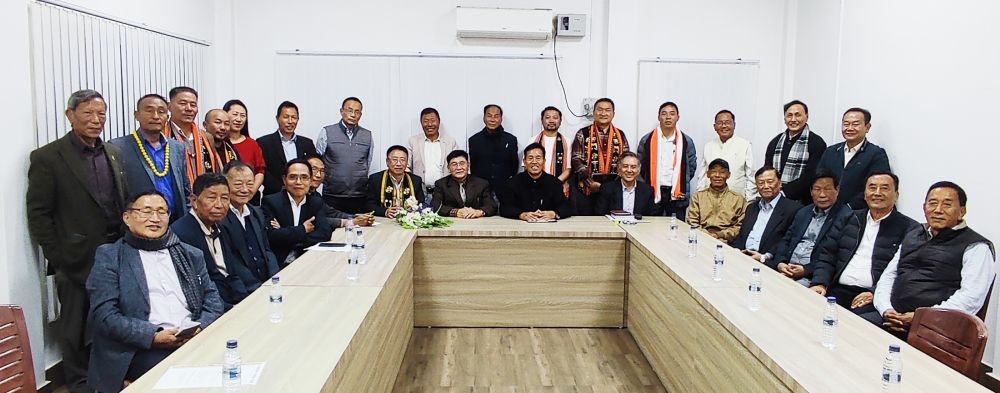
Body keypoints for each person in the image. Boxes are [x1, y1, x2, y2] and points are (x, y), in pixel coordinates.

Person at [27, 89, 127, 393]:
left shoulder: (112, 152)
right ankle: (78, 384)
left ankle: (107, 376)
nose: (96, 120)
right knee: (74, 325)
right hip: (75, 257)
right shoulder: (48, 157)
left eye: (101, 114)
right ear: (70, 116)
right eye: (88, 113)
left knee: (111, 317)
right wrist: (58, 257)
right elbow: (39, 213)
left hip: (115, 250)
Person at [86, 191, 224, 393]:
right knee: (186, 376)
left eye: (162, 212)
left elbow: (213, 300)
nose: (155, 218)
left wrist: (199, 328)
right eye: (146, 211)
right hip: (139, 347)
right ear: (127, 218)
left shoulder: (190, 253)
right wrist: (153, 337)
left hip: (193, 336)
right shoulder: (111, 257)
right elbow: (105, 316)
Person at [874, 182, 996, 333]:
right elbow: (889, 276)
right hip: (893, 316)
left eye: (947, 204)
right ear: (924, 207)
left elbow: (971, 298)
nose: (938, 210)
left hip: (936, 328)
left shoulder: (976, 247)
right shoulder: (914, 234)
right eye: (932, 203)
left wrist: (921, 318)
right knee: (848, 325)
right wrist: (886, 309)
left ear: (962, 211)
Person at [809, 172, 919, 323]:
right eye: (872, 187)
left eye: (884, 188)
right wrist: (819, 282)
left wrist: (875, 293)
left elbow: (906, 272)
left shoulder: (910, 229)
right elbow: (828, 255)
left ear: (896, 195)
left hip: (870, 296)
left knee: (851, 324)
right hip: (837, 288)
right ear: (865, 194)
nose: (877, 193)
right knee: (807, 309)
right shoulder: (849, 218)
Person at [111, 94, 191, 223]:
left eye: (161, 112)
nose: (155, 116)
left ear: (167, 117)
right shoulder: (118, 147)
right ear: (136, 115)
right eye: (149, 110)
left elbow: (185, 189)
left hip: (175, 221)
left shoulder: (177, 147)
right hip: (140, 223)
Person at [170, 173, 246, 307]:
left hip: (234, 300)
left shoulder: (222, 226)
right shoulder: (181, 234)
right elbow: (196, 288)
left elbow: (232, 273)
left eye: (224, 198)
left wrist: (245, 300)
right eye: (211, 198)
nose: (219, 205)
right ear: (194, 201)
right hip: (212, 307)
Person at [768, 171, 853, 286]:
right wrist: (780, 262)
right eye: (817, 189)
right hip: (786, 267)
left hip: (812, 276)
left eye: (827, 189)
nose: (822, 195)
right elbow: (786, 240)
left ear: (837, 190)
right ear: (811, 192)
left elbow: (835, 256)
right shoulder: (803, 212)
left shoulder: (846, 217)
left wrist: (806, 270)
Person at [220, 161, 280, 298]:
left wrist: (275, 279)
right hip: (244, 291)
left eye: (249, 184)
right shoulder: (220, 218)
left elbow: (267, 250)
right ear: (225, 185)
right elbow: (231, 263)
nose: (245, 189)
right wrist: (257, 289)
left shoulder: (256, 212)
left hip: (267, 285)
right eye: (238, 184)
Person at [262, 158, 333, 266]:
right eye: (293, 177)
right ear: (284, 180)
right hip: (280, 263)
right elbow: (272, 236)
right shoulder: (271, 202)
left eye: (304, 177)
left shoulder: (315, 202)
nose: (298, 182)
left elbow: (324, 233)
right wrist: (303, 229)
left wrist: (288, 235)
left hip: (308, 259)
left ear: (310, 181)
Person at [816, 107, 891, 209]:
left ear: (867, 127)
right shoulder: (831, 151)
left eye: (855, 124)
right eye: (846, 124)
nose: (850, 128)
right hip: (828, 209)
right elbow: (819, 179)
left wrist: (848, 208)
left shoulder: (876, 154)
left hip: (857, 212)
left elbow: (876, 187)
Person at [637, 101, 697, 219]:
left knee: (676, 229)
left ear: (678, 117)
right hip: (652, 191)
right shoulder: (647, 140)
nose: (668, 117)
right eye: (664, 114)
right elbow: (640, 166)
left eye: (672, 113)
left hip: (676, 194)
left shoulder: (686, 141)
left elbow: (691, 167)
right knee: (650, 228)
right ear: (659, 117)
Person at [572, 98, 630, 215]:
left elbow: (626, 160)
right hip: (587, 189)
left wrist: (610, 186)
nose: (603, 113)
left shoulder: (620, 134)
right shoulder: (583, 133)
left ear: (613, 113)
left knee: (612, 225)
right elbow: (576, 160)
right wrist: (589, 182)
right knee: (587, 225)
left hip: (613, 190)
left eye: (607, 110)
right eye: (600, 110)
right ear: (593, 112)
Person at [732, 166, 802, 263]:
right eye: (761, 183)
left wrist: (765, 256)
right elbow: (742, 236)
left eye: (770, 182)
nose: (765, 186)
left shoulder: (793, 209)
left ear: (780, 183)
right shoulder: (751, 208)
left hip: (767, 261)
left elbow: (786, 241)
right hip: (742, 256)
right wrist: (736, 251)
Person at [316, 97, 374, 214]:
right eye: (350, 110)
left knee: (359, 228)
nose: (353, 115)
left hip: (358, 195)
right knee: (333, 228)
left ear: (361, 114)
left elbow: (367, 162)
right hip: (332, 194)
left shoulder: (367, 135)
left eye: (357, 112)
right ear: (341, 111)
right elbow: (318, 161)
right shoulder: (327, 132)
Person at [764, 100, 827, 205]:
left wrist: (784, 192)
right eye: (789, 115)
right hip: (775, 199)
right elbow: (768, 170)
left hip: (804, 202)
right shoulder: (775, 142)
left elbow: (811, 176)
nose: (793, 119)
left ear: (806, 117)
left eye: (798, 115)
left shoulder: (816, 142)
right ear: (784, 118)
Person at [163, 86, 222, 182]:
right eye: (183, 103)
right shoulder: (162, 136)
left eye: (193, 105)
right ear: (169, 106)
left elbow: (217, 170)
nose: (189, 109)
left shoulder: (207, 137)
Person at [500, 143, 572, 221]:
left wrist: (554, 213)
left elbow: (566, 207)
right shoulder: (513, 182)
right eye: (530, 158)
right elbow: (505, 207)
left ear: (544, 161)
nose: (534, 162)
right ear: (524, 162)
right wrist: (522, 215)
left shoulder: (554, 182)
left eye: (538, 158)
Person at [257, 101, 315, 196]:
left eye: (294, 117)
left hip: (303, 195)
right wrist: (283, 188)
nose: (290, 121)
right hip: (274, 196)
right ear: (277, 118)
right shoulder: (264, 142)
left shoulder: (307, 143)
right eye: (286, 117)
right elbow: (263, 171)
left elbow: (312, 168)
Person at [697, 110, 756, 200]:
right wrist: (700, 198)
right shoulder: (708, 146)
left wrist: (749, 201)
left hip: (737, 200)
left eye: (727, 123)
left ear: (734, 125)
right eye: (720, 123)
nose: (724, 126)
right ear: (714, 126)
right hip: (710, 199)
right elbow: (703, 175)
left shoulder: (745, 145)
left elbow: (751, 175)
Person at [686, 159, 747, 242]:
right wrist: (706, 235)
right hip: (700, 238)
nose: (717, 175)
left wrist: (720, 235)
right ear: (708, 174)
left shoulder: (738, 200)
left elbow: (739, 226)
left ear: (728, 175)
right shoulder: (698, 197)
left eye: (722, 172)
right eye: (714, 171)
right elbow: (692, 222)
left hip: (726, 241)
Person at [306, 154, 374, 227]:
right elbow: (314, 221)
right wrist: (351, 222)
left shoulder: (315, 195)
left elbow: (331, 213)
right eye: (314, 169)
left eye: (322, 170)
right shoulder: (299, 195)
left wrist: (356, 217)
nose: (318, 175)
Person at [468, 104, 519, 197]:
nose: (492, 119)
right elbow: (473, 167)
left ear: (501, 119)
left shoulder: (511, 140)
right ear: (484, 118)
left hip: (505, 189)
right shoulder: (474, 140)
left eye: (496, 116)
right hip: (481, 190)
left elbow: (514, 166)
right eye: (489, 115)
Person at [407, 107, 457, 202]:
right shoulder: (413, 141)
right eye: (425, 121)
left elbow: (457, 166)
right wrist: (412, 185)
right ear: (421, 123)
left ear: (439, 122)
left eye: (433, 121)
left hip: (445, 193)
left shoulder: (450, 142)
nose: (429, 124)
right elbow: (406, 166)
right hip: (420, 192)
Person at [223, 99, 266, 205]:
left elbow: (260, 171)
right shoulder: (219, 143)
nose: (239, 119)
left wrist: (250, 192)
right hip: (224, 198)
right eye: (235, 114)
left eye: (243, 116)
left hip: (250, 199)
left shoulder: (252, 144)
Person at [431, 150, 496, 218]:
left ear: (468, 165)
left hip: (476, 221)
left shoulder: (481, 183)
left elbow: (492, 206)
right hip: (452, 222)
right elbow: (434, 206)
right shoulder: (441, 184)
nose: (458, 168)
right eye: (454, 164)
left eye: (462, 163)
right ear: (448, 168)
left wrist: (478, 212)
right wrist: (455, 212)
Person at [366, 145, 426, 218]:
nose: (398, 164)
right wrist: (385, 211)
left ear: (407, 162)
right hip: (385, 221)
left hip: (409, 220)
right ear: (387, 162)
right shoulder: (375, 179)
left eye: (402, 160)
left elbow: (422, 204)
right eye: (394, 159)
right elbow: (368, 205)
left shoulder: (415, 180)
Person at [595, 152, 660, 216]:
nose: (629, 170)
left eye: (633, 167)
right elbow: (600, 216)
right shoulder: (607, 189)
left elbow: (651, 217)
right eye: (625, 166)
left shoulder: (647, 190)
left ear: (638, 170)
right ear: (619, 169)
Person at [529, 106, 572, 197]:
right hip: (536, 186)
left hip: (559, 186)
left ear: (560, 121)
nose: (551, 120)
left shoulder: (567, 141)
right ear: (542, 120)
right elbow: (527, 166)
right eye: (547, 117)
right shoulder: (532, 140)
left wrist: (554, 184)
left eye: (555, 117)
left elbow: (568, 169)